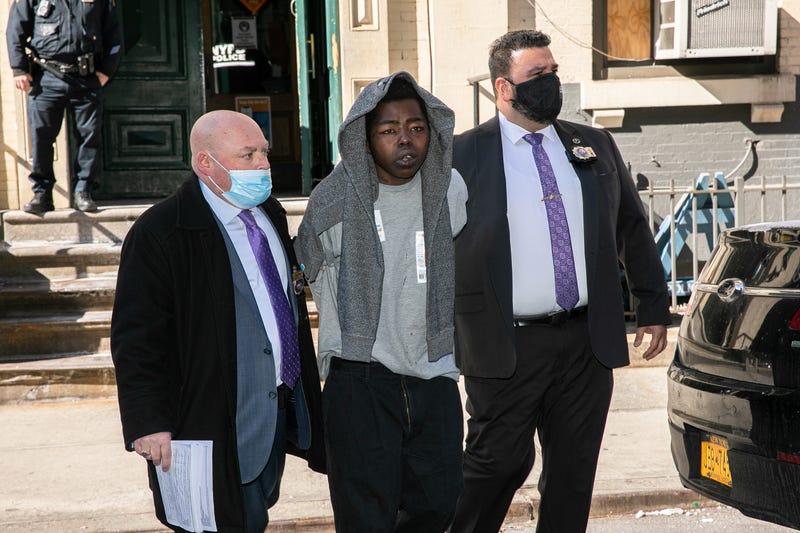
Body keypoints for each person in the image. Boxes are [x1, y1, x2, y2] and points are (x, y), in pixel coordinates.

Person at [450, 30, 671, 533]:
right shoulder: (461, 155)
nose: (550, 82)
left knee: (573, 476)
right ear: (504, 88)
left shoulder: (592, 143)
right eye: (536, 75)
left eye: (553, 71)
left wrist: (654, 306)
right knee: (495, 465)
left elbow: (631, 228)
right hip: (503, 344)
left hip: (585, 342)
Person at [111, 110, 325, 533]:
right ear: (206, 164)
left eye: (263, 151)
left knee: (253, 513)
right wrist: (148, 421)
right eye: (248, 155)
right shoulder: (161, 232)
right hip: (206, 419)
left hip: (274, 412)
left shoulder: (268, 213)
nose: (264, 164)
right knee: (215, 522)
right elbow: (137, 339)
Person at [295, 72, 467, 532]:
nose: (405, 139)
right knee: (365, 520)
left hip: (434, 376)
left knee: (438, 508)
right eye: (389, 130)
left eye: (416, 127)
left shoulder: (451, 190)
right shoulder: (332, 200)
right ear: (365, 139)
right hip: (361, 380)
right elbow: (307, 267)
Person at [6, 0, 122, 214]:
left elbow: (114, 36)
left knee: (89, 136)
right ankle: (42, 193)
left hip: (86, 78)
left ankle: (83, 191)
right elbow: (15, 30)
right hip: (46, 77)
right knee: (41, 136)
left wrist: (107, 71)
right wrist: (19, 69)